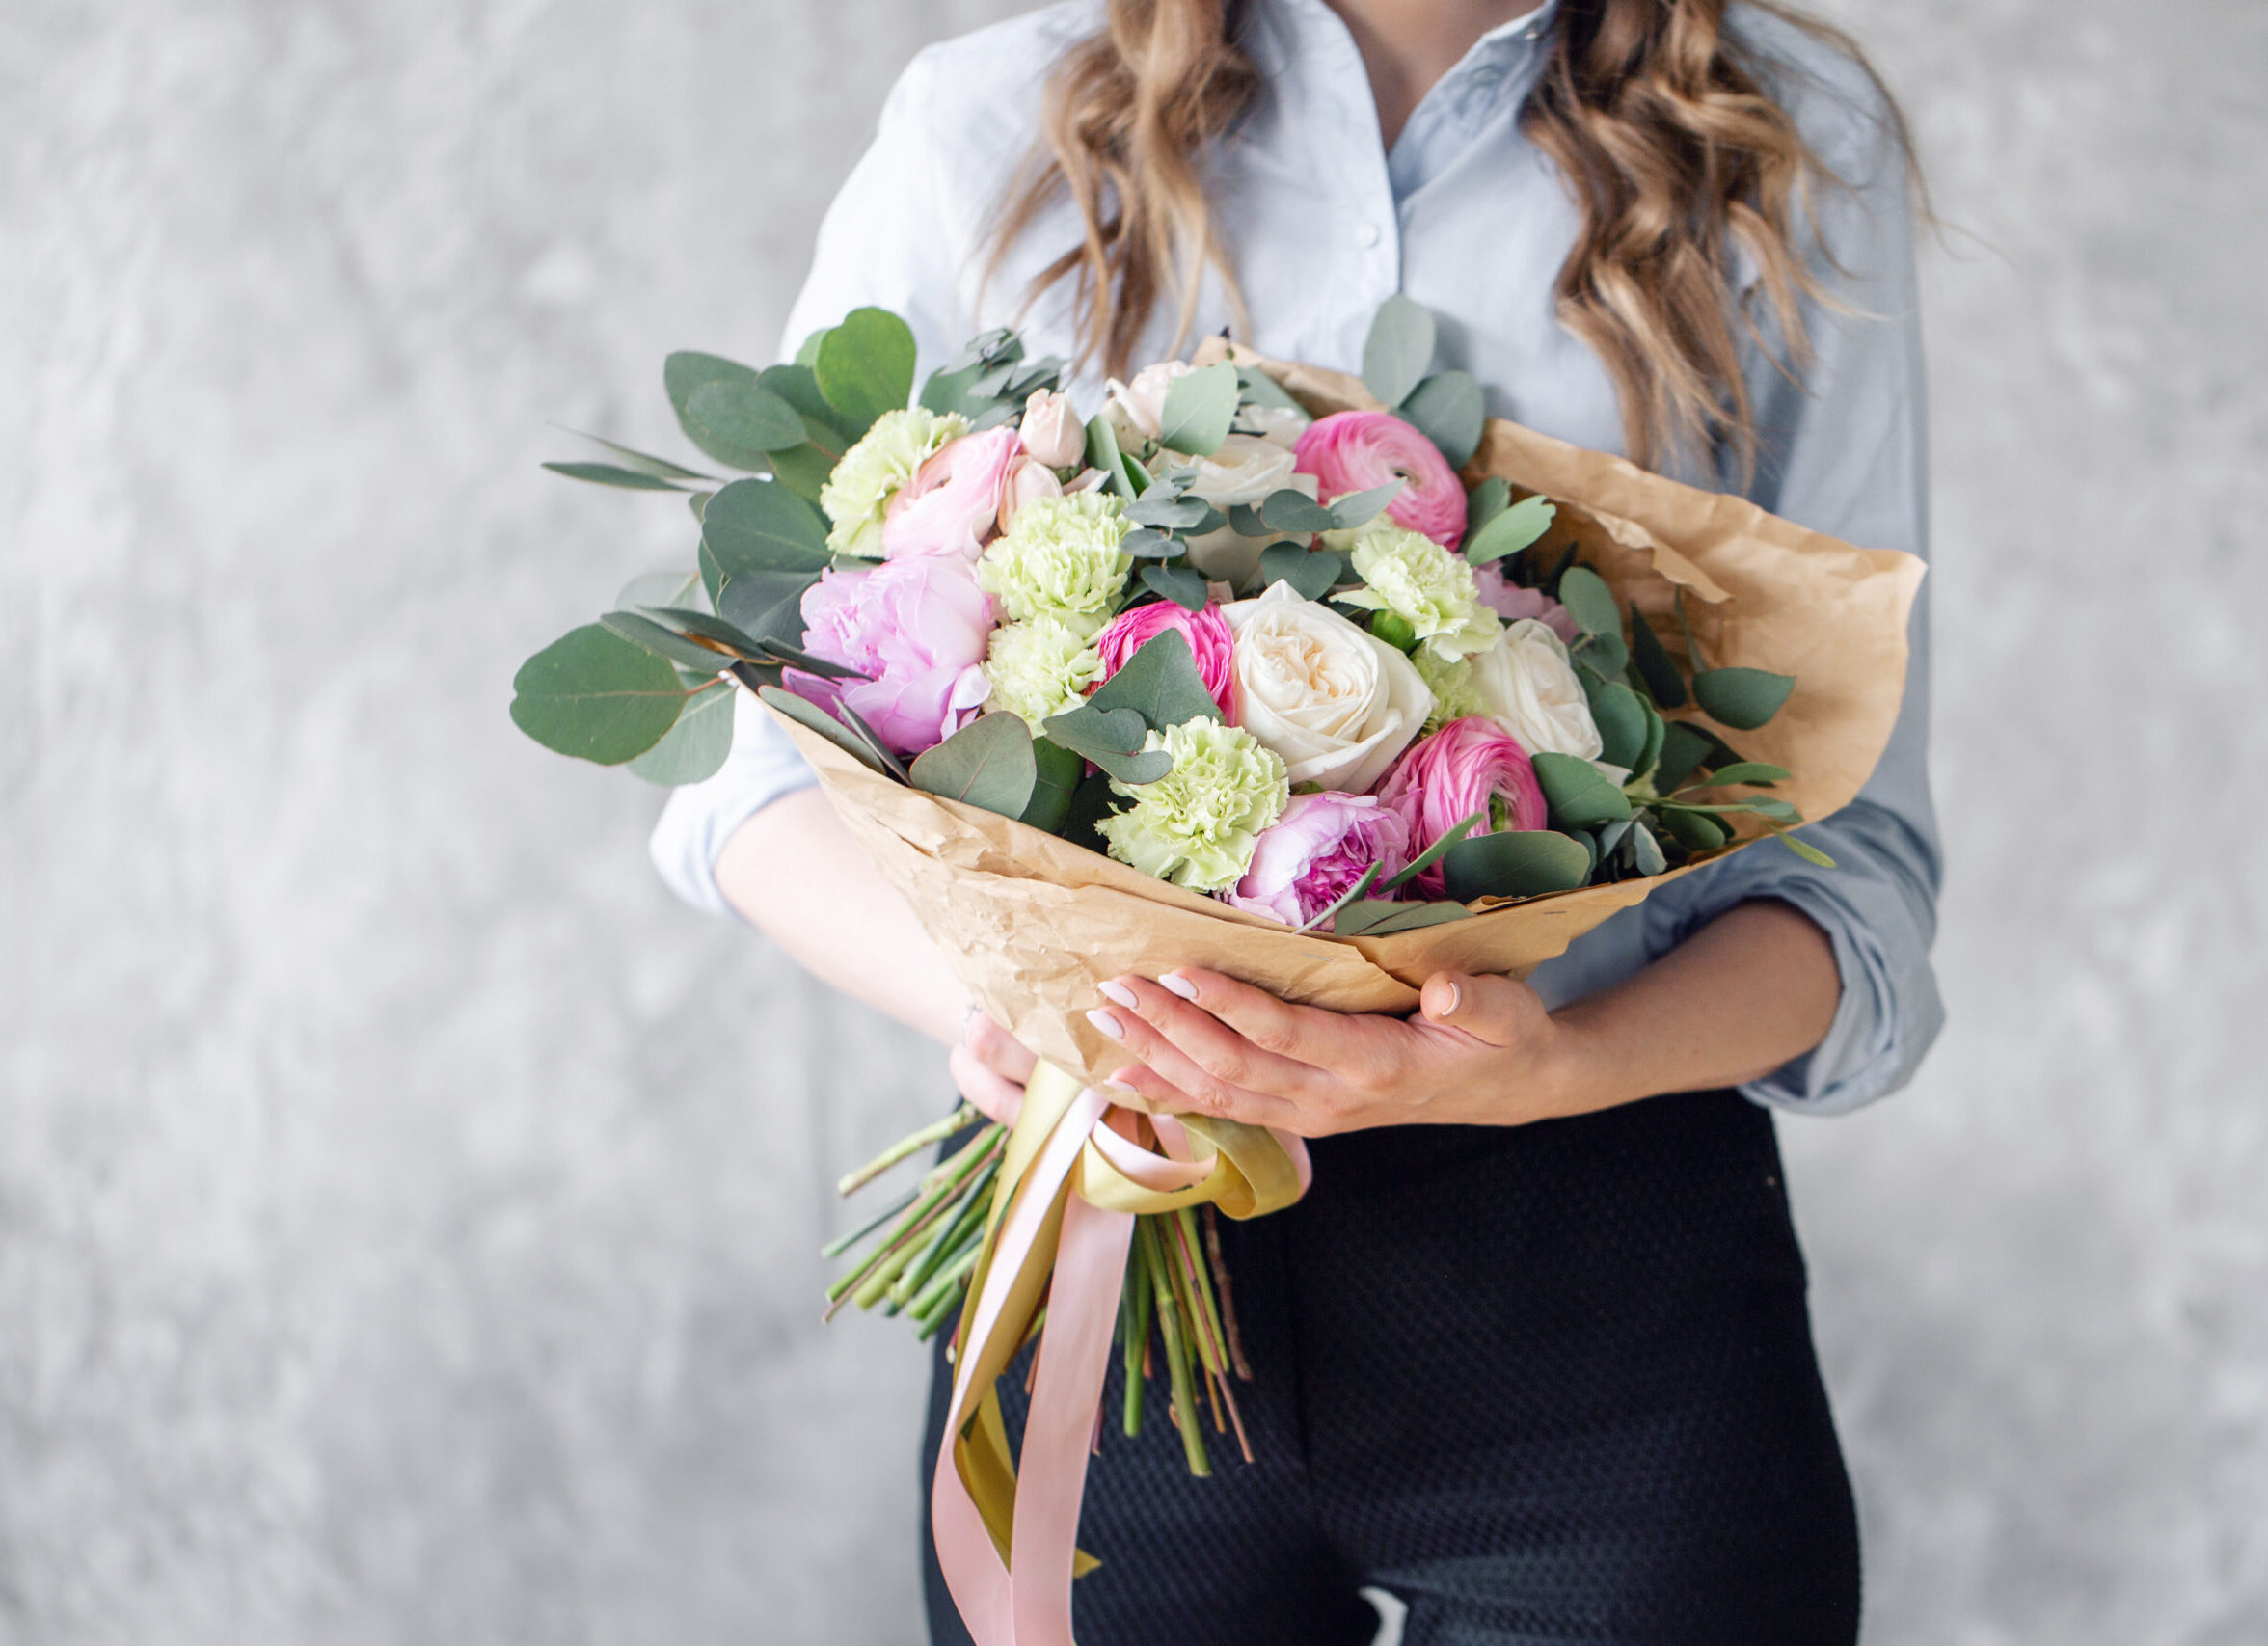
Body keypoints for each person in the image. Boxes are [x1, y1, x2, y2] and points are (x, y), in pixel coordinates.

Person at [652, 1, 1940, 1639]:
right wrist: (1010, 1000)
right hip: (1111, 1240)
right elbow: (760, 767)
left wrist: (1555, 1063)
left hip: (1601, 1280)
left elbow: (1854, 880)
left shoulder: (1782, 129)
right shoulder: (987, 122)